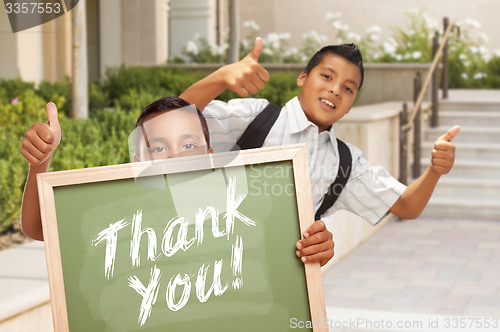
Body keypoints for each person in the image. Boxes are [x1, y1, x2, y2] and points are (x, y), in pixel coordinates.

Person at [179, 38, 460, 266]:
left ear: (350, 105)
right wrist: (219, 79)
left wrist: (435, 170)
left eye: (348, 89)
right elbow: (167, 124)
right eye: (327, 76)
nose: (335, 90)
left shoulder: (346, 164)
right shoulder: (256, 117)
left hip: (275, 291)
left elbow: (406, 206)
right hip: (210, 270)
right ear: (303, 77)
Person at [20, 96, 333, 267]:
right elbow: (37, 227)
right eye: (159, 147)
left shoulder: (243, 215)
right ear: (138, 164)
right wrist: (40, 163)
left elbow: (289, 255)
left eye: (188, 145)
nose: (174, 158)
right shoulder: (119, 218)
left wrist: (316, 248)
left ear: (210, 156)